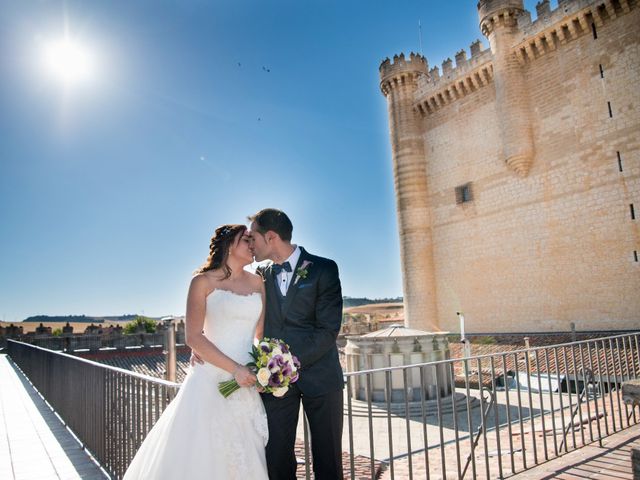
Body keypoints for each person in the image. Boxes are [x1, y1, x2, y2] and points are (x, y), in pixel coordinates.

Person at [123, 224, 269, 480]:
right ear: (229, 246)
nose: (251, 244)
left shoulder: (259, 282)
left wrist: (266, 367)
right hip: (210, 380)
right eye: (245, 240)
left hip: (247, 381)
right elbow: (193, 336)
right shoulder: (202, 282)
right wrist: (235, 369)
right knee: (205, 457)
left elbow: (261, 334)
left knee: (247, 454)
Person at [249, 208, 344, 480]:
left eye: (253, 237)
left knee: (328, 461)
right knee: (276, 458)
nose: (250, 244)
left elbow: (327, 330)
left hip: (321, 377)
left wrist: (285, 365)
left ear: (270, 237)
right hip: (275, 384)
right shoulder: (259, 274)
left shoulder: (324, 268)